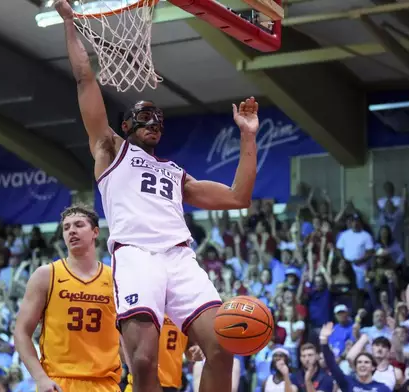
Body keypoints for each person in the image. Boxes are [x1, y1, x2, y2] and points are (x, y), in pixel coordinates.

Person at [53, 2, 259, 391]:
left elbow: (238, 197)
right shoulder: (111, 150)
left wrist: (248, 135)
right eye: (145, 116)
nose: (154, 123)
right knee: (145, 361)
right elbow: (84, 80)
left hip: (180, 257)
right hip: (136, 254)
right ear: (126, 125)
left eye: (160, 120)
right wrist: (69, 22)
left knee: (221, 349)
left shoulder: (174, 173)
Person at [14, 205, 122, 392]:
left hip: (105, 383)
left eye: (79, 225)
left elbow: (125, 336)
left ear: (95, 232)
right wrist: (40, 378)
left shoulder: (115, 278)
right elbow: (21, 332)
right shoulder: (46, 275)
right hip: (58, 383)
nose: (71, 230)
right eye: (66, 227)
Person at [124, 316, 204, 392]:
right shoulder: (145, 309)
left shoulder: (183, 314)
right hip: (143, 381)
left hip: (171, 383)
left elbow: (190, 350)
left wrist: (196, 352)